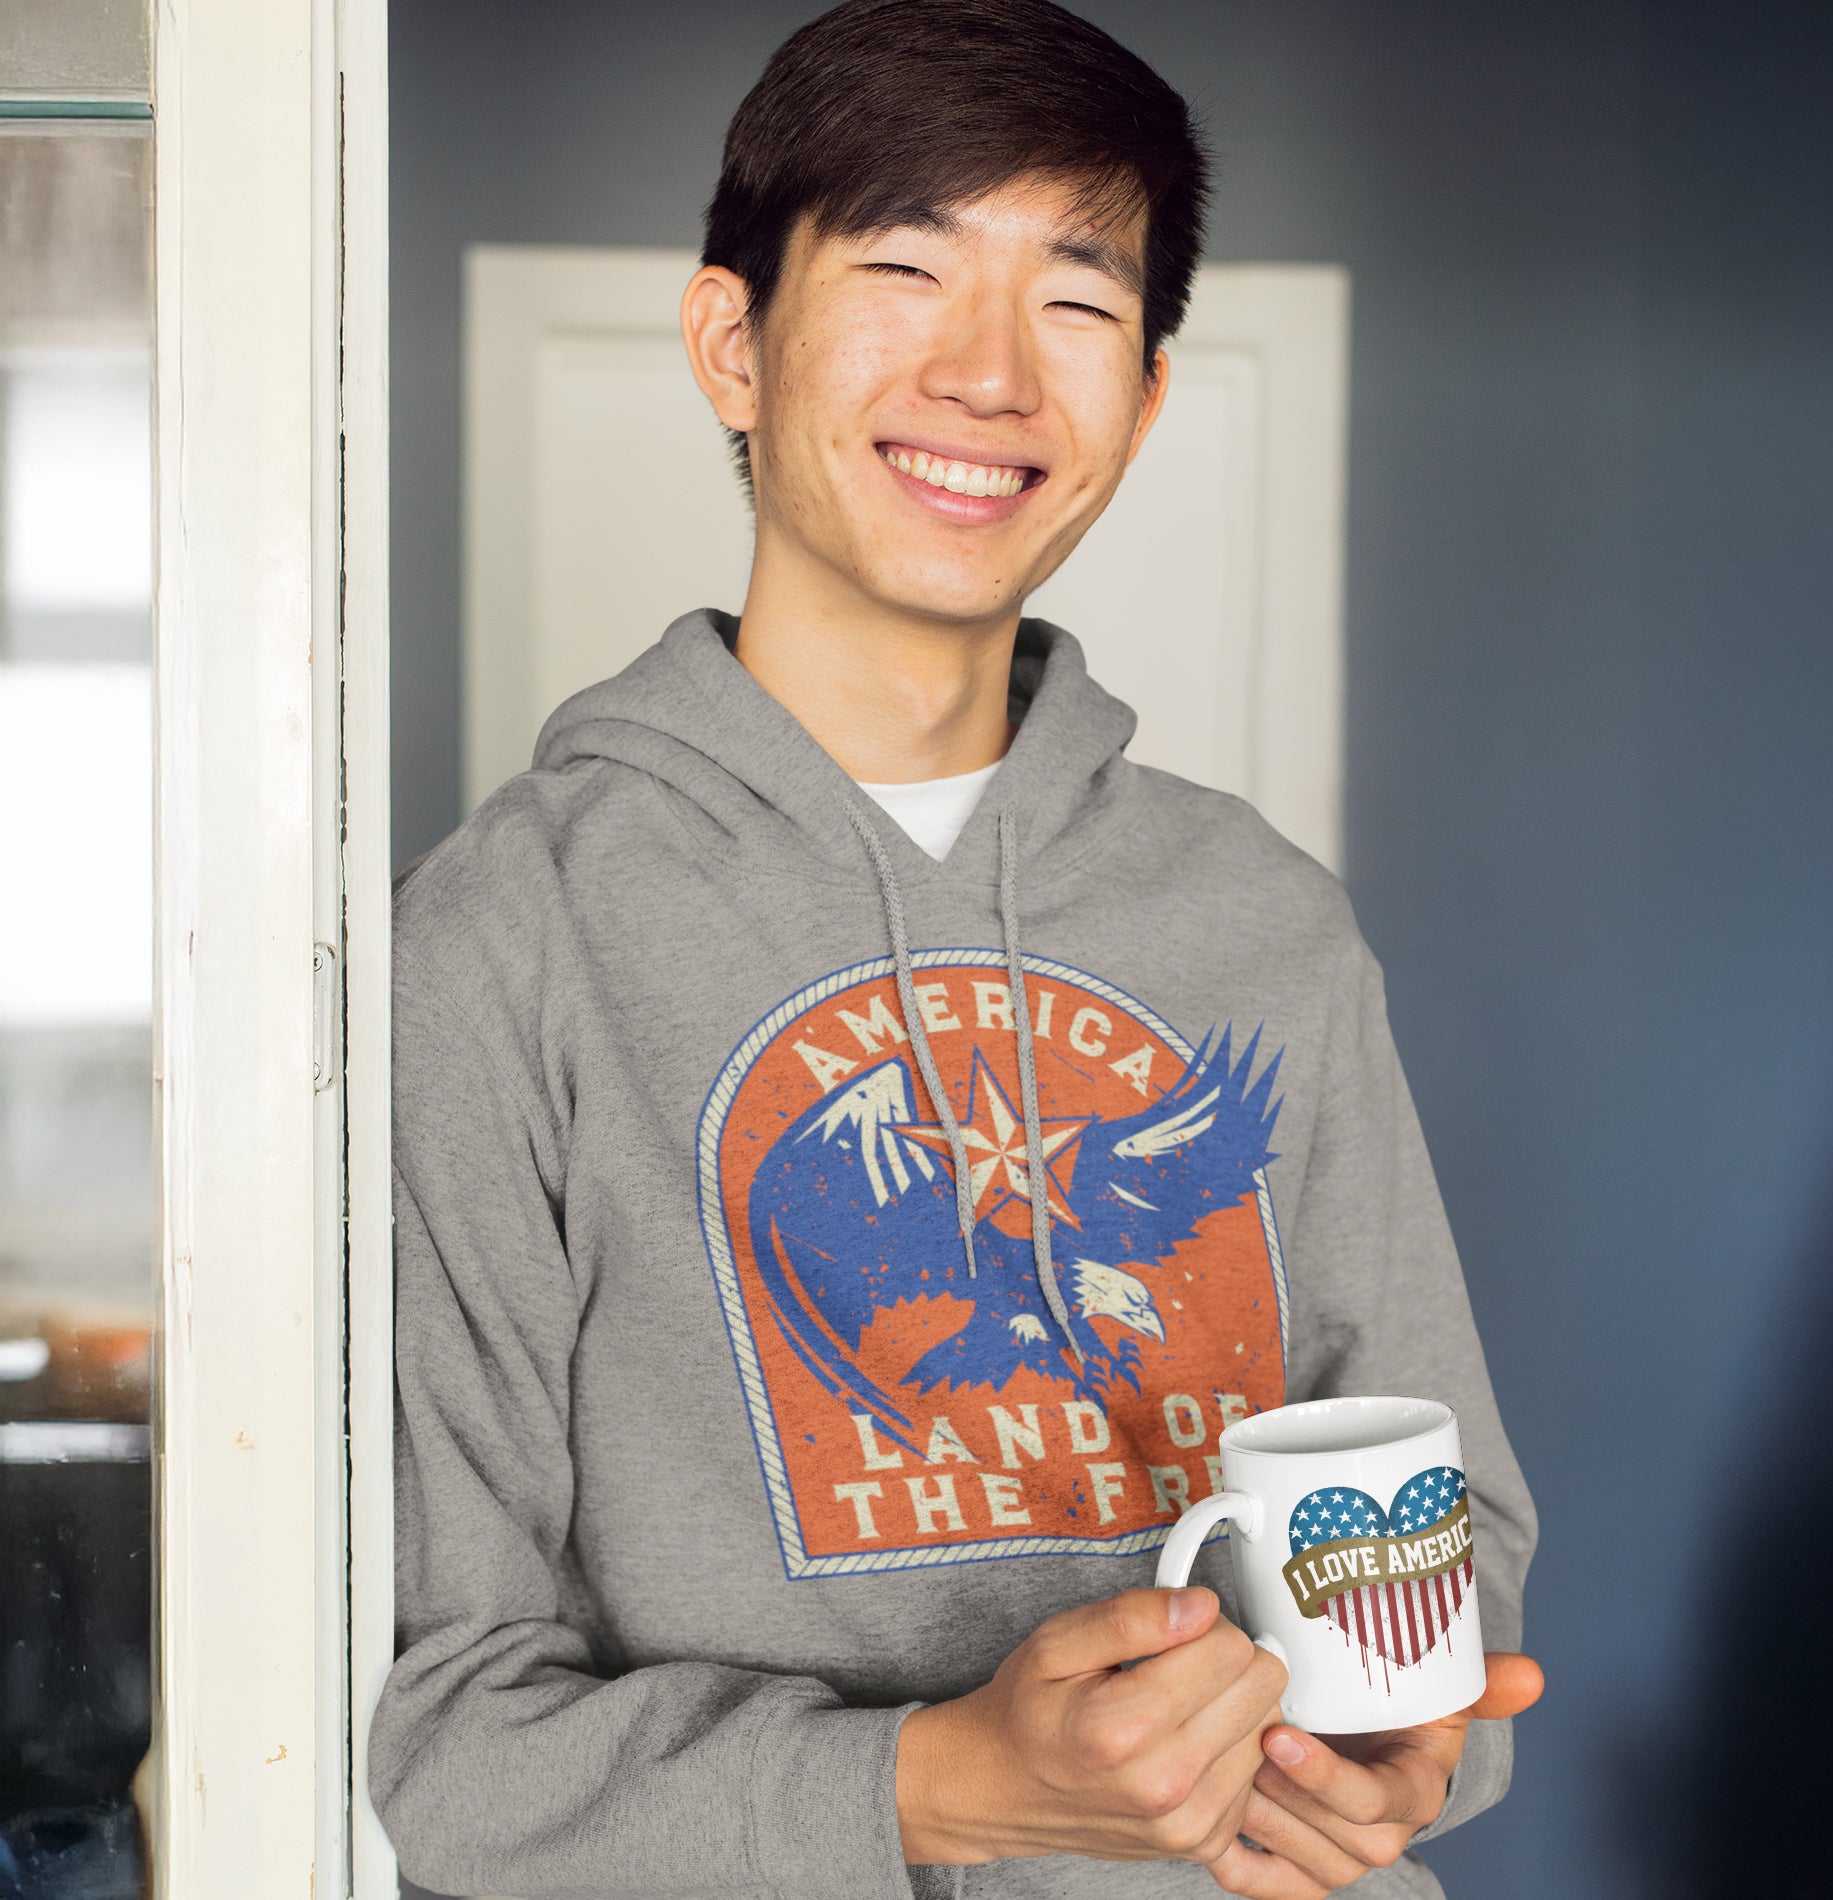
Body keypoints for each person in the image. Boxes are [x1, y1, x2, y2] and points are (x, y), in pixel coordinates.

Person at [366, 2, 1541, 1895]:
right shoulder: (507, 940)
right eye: (907, 269)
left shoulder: (1261, 922)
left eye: (1076, 303)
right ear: (731, 343)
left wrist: (1405, 1757)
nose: (992, 374)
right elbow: (443, 1745)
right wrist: (940, 1786)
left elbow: (1445, 1529)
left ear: (1145, 402)